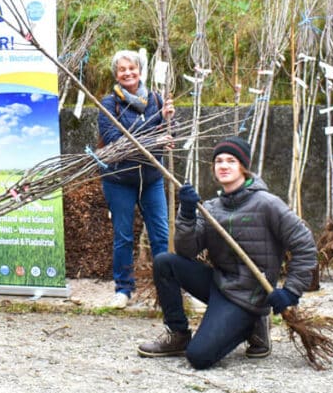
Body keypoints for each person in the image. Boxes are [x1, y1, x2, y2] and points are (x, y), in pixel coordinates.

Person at [138, 137, 317, 368]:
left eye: (231, 161)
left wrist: (291, 291)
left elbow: (305, 245)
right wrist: (187, 214)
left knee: (199, 357)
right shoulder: (211, 208)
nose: (223, 165)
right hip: (220, 283)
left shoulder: (267, 204)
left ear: (243, 167)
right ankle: (178, 335)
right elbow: (186, 251)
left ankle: (254, 322)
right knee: (165, 262)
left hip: (248, 296)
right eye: (218, 161)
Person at [97, 49, 175, 309]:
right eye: (122, 69)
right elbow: (115, 140)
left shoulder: (156, 99)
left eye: (132, 68)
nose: (128, 73)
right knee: (123, 236)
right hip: (118, 179)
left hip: (151, 178)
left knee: (161, 235)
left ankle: (165, 290)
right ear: (116, 74)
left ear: (140, 70)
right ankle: (123, 289)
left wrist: (168, 124)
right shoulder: (109, 104)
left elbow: (168, 135)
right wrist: (154, 135)